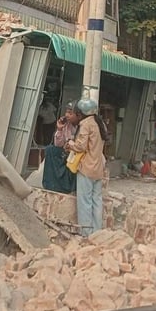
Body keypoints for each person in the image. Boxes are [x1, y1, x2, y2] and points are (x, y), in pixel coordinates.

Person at [70, 98, 106, 237]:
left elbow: (81, 146)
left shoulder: (86, 124)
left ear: (81, 113)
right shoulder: (99, 123)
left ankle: (86, 233)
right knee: (97, 201)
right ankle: (97, 232)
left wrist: (70, 144)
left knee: (84, 201)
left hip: (86, 167)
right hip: (98, 167)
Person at [41, 102, 80, 193]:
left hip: (77, 153)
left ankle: (69, 187)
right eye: (66, 112)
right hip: (66, 151)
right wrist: (59, 129)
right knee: (50, 150)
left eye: (70, 113)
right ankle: (52, 185)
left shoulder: (82, 126)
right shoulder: (66, 125)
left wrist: (71, 145)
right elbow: (58, 144)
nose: (67, 115)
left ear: (78, 115)